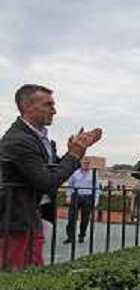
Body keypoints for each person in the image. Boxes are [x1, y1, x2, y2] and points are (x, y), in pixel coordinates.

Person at [0, 84, 102, 269]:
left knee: (33, 273)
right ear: (27, 106)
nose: (54, 110)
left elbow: (54, 171)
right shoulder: (19, 140)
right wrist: (74, 154)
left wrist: (74, 151)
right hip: (15, 221)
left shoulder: (38, 138)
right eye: (48, 105)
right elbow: (48, 182)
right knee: (14, 277)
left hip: (31, 218)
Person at [64, 157, 102, 244]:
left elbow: (97, 187)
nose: (86, 164)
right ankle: (70, 237)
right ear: (81, 163)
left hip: (88, 197)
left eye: (88, 163)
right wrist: (68, 196)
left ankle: (82, 235)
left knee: (85, 218)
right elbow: (70, 185)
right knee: (71, 218)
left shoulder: (94, 174)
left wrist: (96, 198)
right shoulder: (74, 173)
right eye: (84, 163)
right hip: (76, 196)